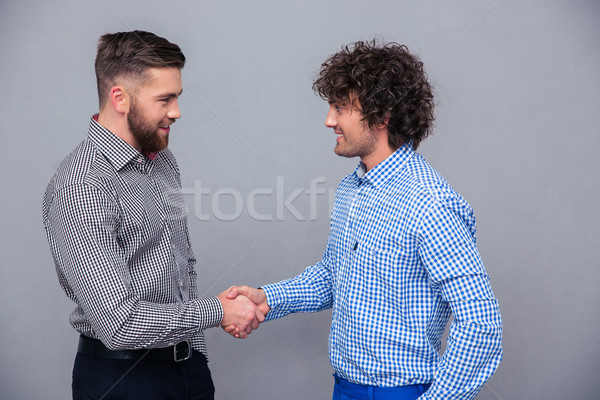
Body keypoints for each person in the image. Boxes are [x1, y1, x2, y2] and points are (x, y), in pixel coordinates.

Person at [226, 40, 503, 399]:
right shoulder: (351, 189)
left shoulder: (431, 203)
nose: (329, 121)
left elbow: (480, 322)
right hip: (345, 388)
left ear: (382, 115)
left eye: (340, 107)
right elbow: (333, 274)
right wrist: (267, 298)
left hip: (402, 392)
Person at [42, 30, 263, 400]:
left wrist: (198, 361)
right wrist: (219, 311)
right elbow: (119, 323)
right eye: (165, 99)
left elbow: (182, 267)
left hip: (187, 367)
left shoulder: (162, 162)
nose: (176, 111)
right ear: (120, 98)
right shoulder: (81, 186)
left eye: (177, 97)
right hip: (123, 379)